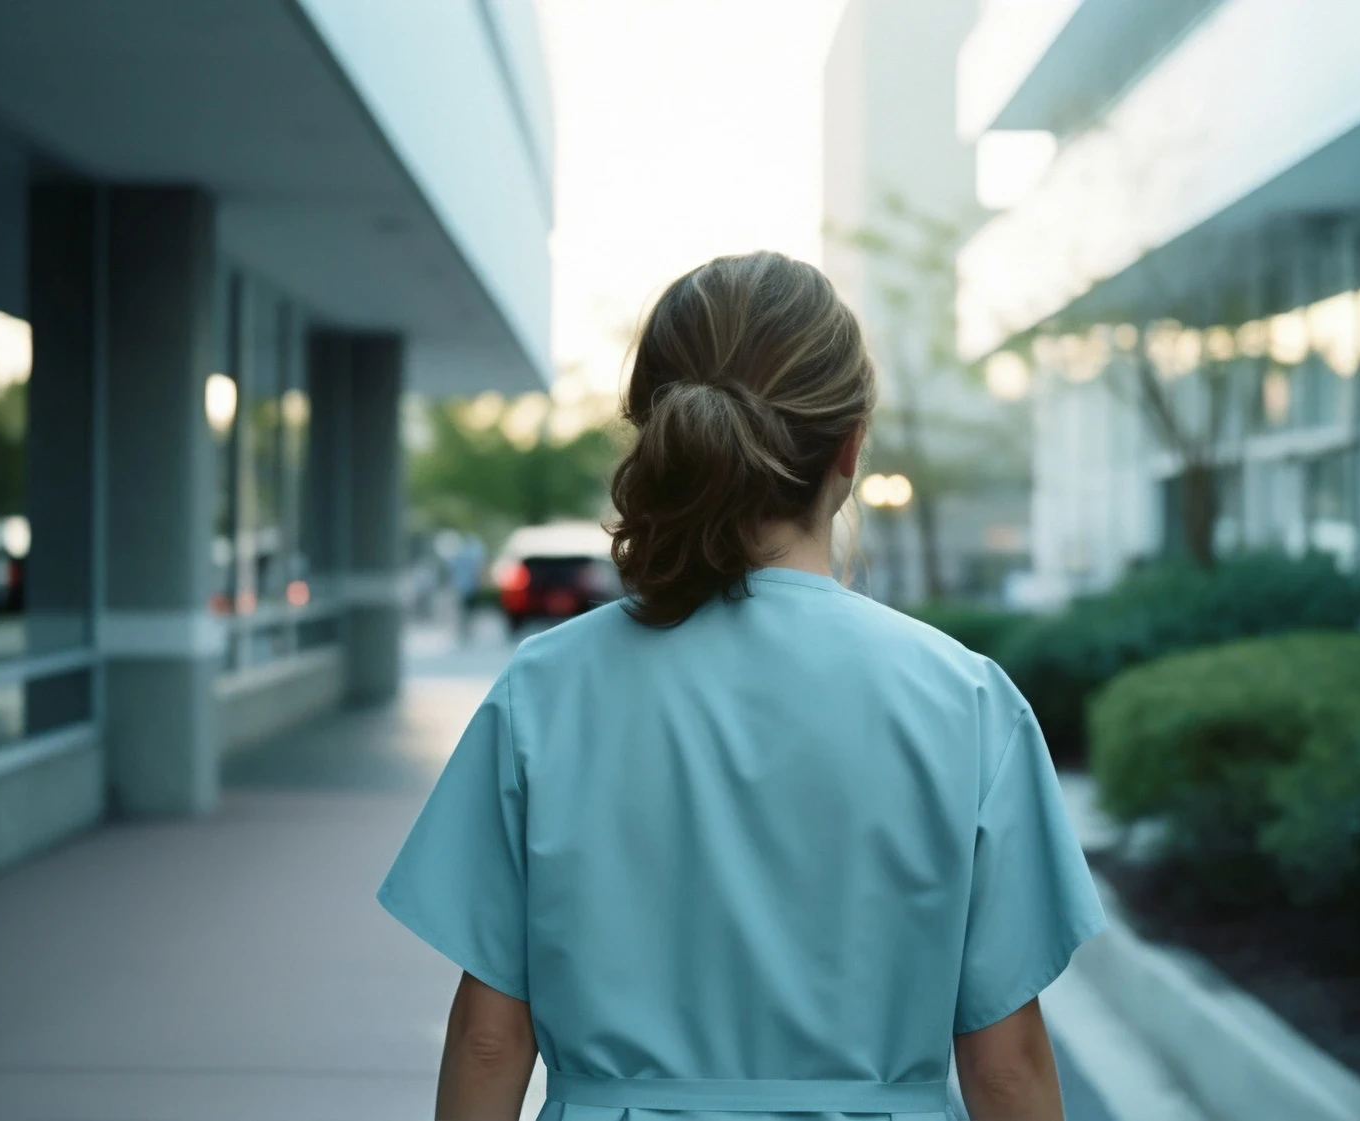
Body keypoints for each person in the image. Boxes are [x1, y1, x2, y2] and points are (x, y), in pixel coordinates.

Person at [377, 251, 1105, 1121]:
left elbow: (491, 1040)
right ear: (850, 445)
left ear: (657, 435)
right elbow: (1008, 1066)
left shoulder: (545, 689)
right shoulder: (967, 700)